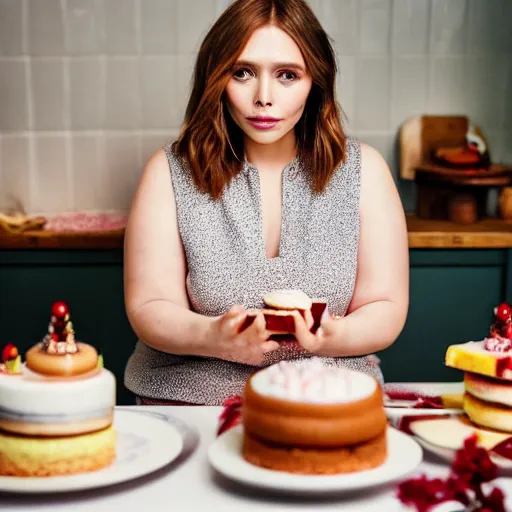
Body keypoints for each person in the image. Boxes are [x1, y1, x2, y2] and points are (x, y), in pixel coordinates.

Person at [123, 0, 409, 406]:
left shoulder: (366, 171)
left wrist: (331, 336)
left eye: (287, 75)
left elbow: (385, 306)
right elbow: (149, 306)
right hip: (188, 404)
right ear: (216, 77)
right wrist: (213, 339)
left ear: (316, 82)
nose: (264, 97)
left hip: (329, 400)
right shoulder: (167, 171)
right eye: (242, 72)